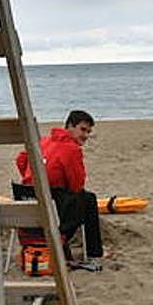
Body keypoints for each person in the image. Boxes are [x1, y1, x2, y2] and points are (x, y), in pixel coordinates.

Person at [15, 110, 105, 261]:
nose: (86, 135)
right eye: (83, 129)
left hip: (28, 201)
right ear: (70, 126)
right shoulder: (71, 148)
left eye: (89, 132)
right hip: (53, 208)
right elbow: (77, 185)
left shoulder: (43, 141)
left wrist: (30, 177)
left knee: (80, 197)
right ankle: (94, 251)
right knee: (89, 199)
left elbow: (21, 159)